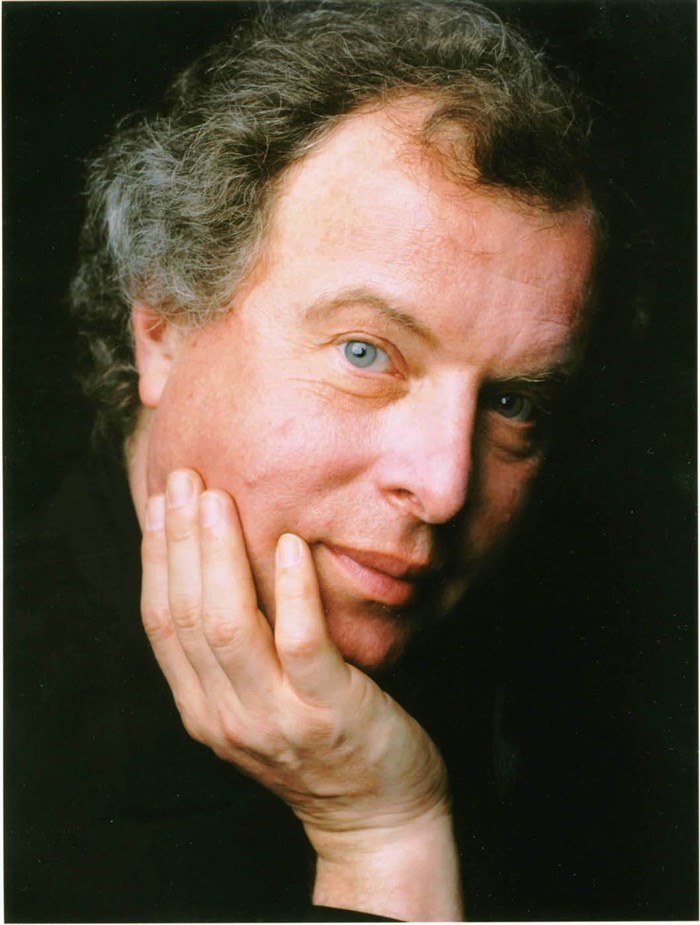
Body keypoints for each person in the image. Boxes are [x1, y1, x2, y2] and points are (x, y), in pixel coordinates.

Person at [6, 1, 696, 922]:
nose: (443, 487)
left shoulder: (593, 705)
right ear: (163, 324)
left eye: (512, 402)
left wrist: (387, 820)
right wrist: (382, 838)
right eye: (367, 353)